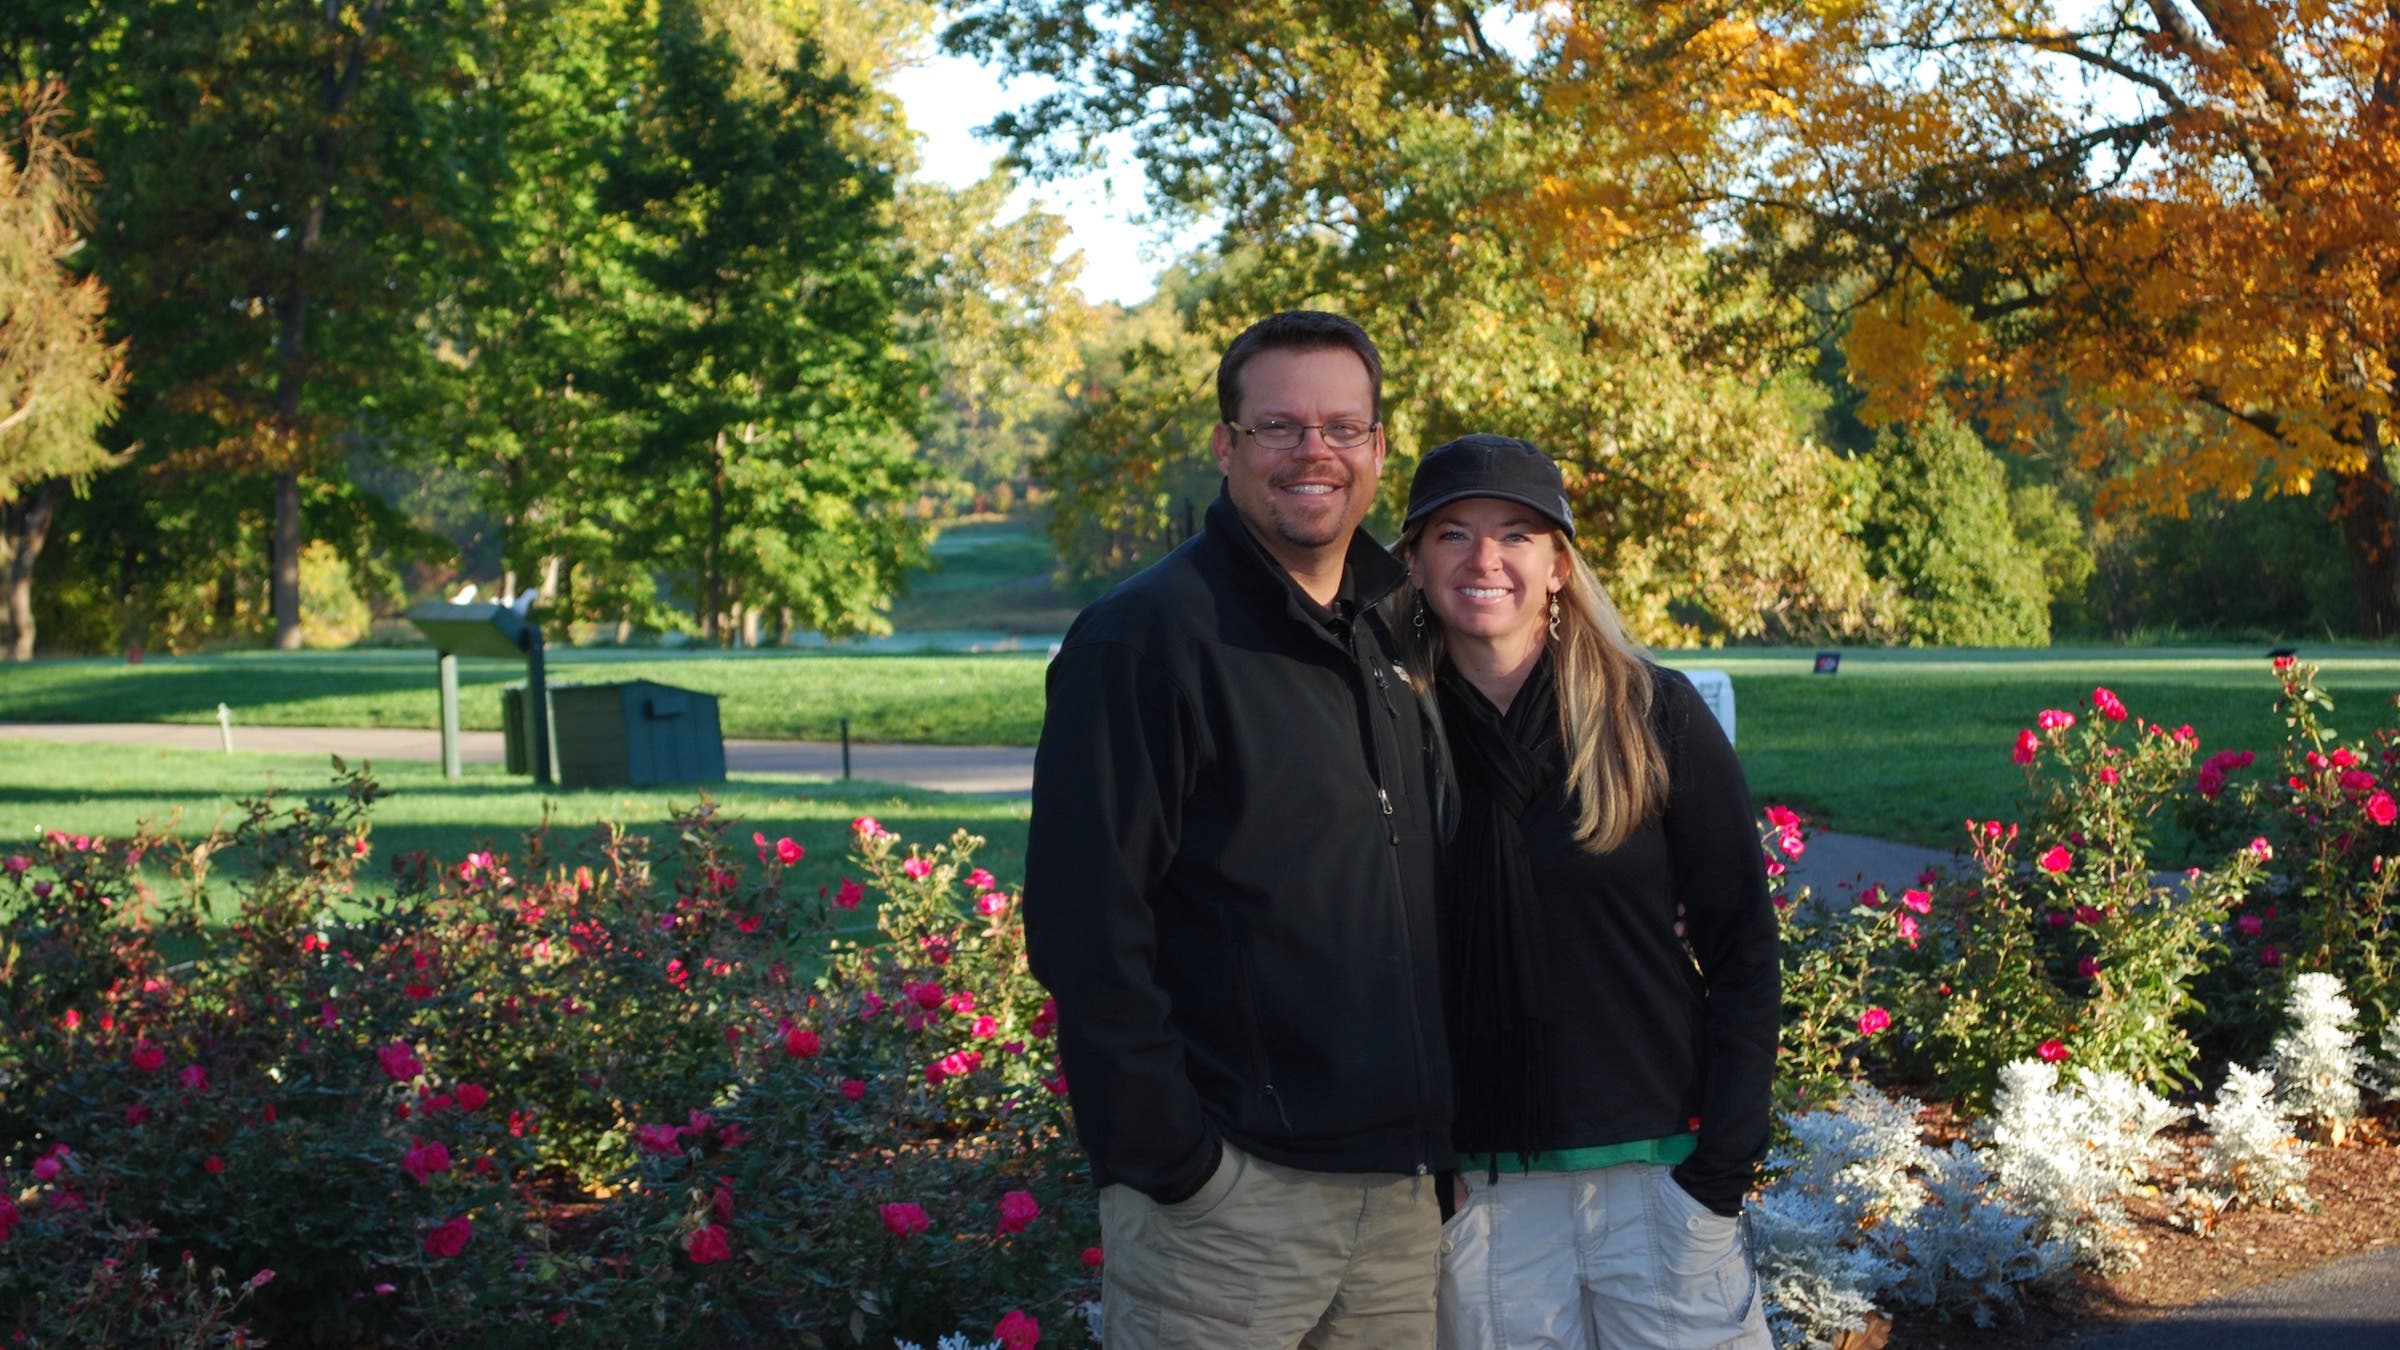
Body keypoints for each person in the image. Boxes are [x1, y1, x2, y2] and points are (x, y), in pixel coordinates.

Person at [1023, 311, 1452, 1347]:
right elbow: (1086, 926)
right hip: (1230, 1207)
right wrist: (1182, 1166)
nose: (1316, 453)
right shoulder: (1147, 638)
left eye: (1344, 428)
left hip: (1398, 1202)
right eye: (1280, 427)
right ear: (1226, 445)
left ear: (1379, 447)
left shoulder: (1397, 628)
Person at [1392, 434, 1780, 1350]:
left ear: (1560, 565)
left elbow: (1743, 951)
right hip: (1484, 1195)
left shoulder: (1653, 714)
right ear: (1411, 562)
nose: (1485, 560)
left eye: (1517, 534)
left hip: (1659, 1178)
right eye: (1453, 534)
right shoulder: (1388, 732)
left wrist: (1721, 1167)